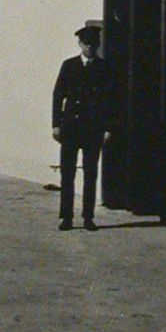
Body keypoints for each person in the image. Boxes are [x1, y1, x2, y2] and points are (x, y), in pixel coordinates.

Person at [51, 20, 115, 230]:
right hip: (71, 127)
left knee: (90, 173)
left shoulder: (104, 68)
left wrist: (107, 128)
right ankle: (66, 217)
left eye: (93, 44)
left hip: (92, 129)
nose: (90, 47)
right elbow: (58, 95)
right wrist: (56, 124)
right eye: (86, 44)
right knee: (67, 174)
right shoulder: (69, 66)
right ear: (80, 44)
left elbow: (109, 101)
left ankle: (88, 217)